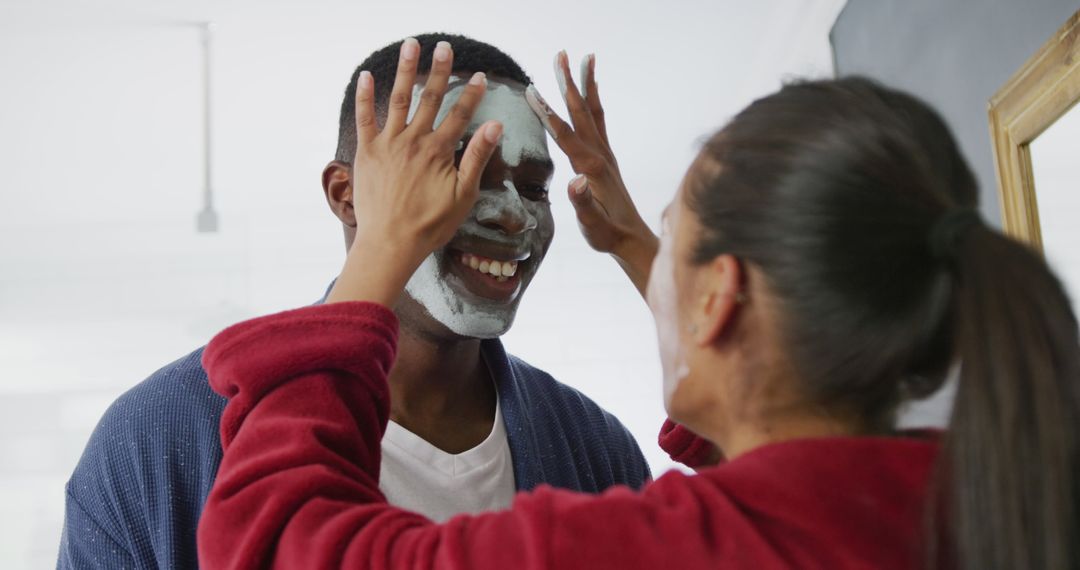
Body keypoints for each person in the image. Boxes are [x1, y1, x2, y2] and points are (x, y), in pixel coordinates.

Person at [196, 39, 1080, 570]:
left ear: (719, 301)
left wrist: (384, 248)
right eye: (457, 176)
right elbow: (778, 468)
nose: (510, 212)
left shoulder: (634, 512)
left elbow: (277, 546)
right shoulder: (994, 499)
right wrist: (635, 244)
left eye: (666, 248)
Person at [57, 34, 650, 569]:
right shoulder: (155, 438)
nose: (513, 213)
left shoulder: (596, 451)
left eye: (534, 188)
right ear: (347, 197)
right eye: (454, 172)